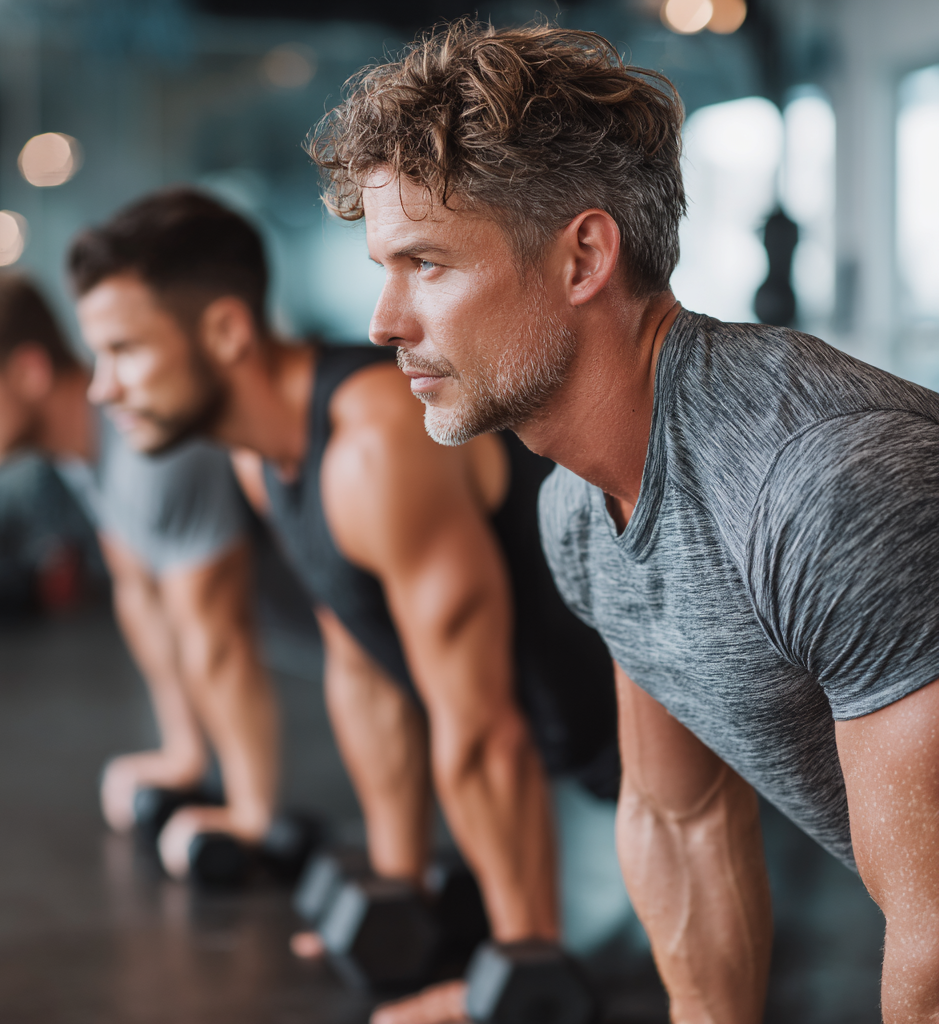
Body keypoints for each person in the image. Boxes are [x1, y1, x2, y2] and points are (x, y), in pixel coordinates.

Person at [307, 18, 939, 1024]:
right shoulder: (578, 508)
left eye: (425, 263)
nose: (384, 322)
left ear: (582, 256)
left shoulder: (825, 484)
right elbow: (681, 816)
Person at [65, 187, 625, 1023]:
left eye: (125, 351)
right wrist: (395, 895)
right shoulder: (266, 456)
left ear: (224, 331)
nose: (103, 389)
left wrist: (516, 968)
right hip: (566, 755)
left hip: (638, 747)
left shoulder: (372, 446)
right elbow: (364, 670)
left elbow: (481, 727)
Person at [0, 272, 280, 879]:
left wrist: (249, 817)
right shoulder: (81, 453)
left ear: (29, 372)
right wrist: (184, 754)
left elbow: (219, 633)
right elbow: (139, 592)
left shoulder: (145, 440)